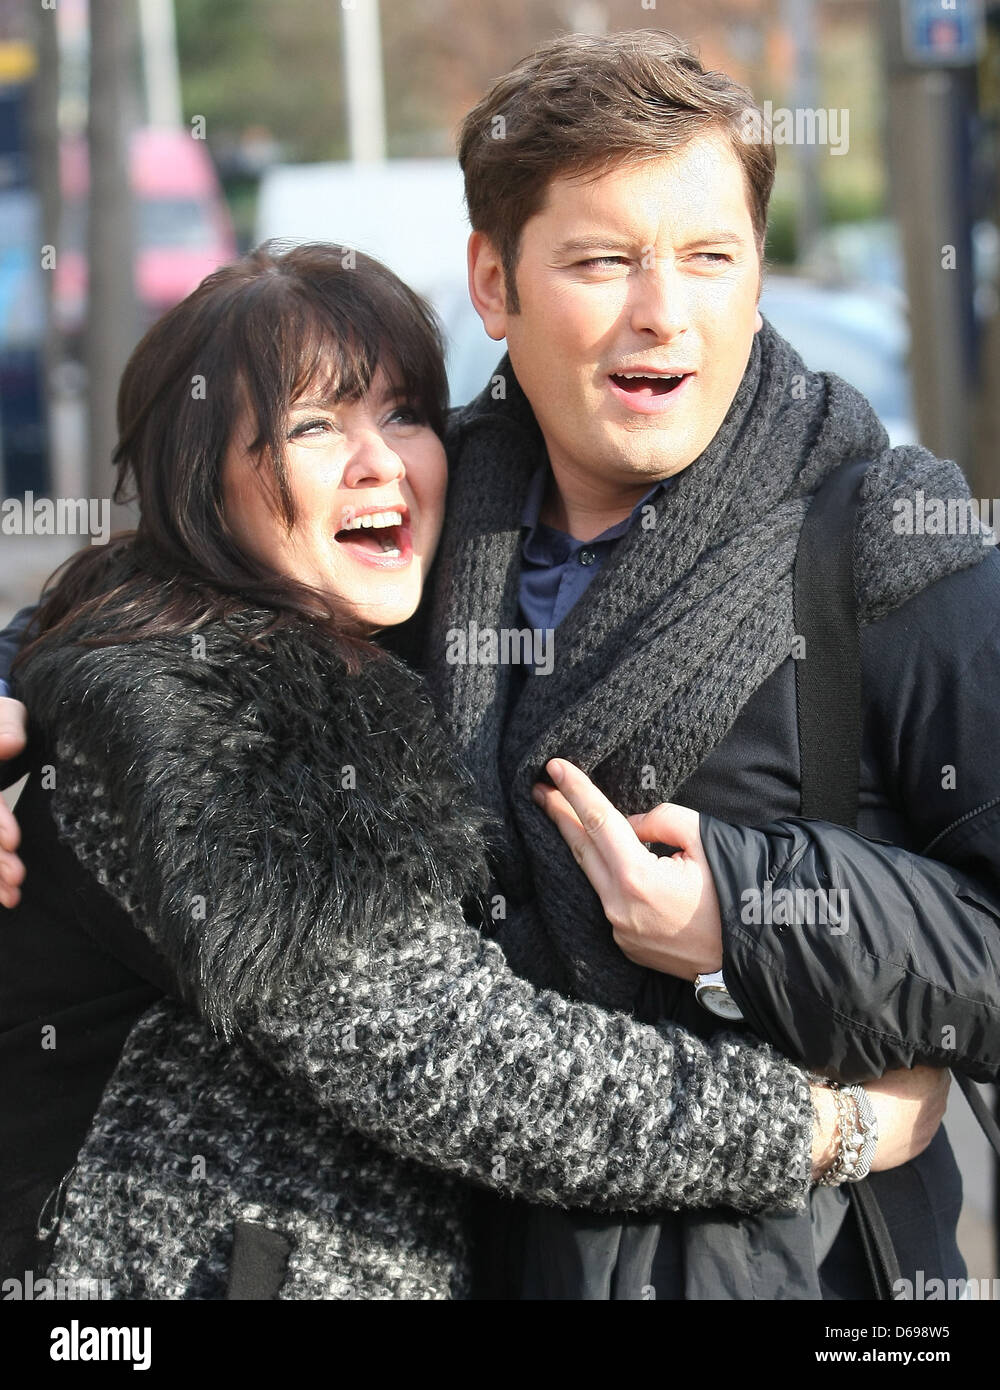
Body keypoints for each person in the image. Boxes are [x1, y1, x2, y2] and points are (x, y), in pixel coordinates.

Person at [0, 30, 989, 1300]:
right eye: (600, 260)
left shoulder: (889, 553)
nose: (661, 309)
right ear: (493, 283)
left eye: (707, 257)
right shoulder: (418, 538)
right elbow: (188, 594)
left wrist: (748, 916)